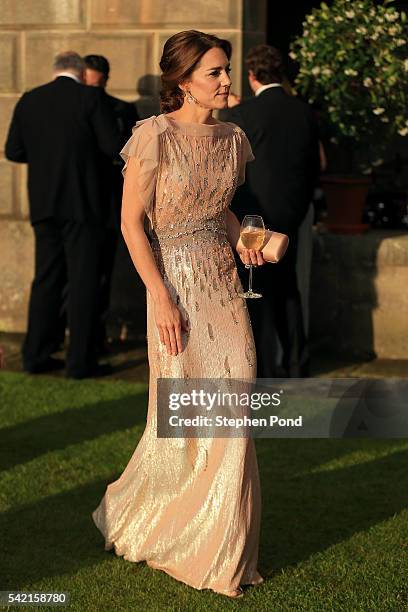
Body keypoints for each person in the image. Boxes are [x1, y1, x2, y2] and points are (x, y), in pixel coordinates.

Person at [92, 30, 265, 599]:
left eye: (227, 70)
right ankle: (162, 526)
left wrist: (249, 238)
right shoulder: (154, 136)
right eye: (214, 72)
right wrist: (160, 296)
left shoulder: (233, 136)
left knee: (235, 395)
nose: (225, 81)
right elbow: (130, 223)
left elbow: (222, 212)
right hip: (173, 287)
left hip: (223, 283)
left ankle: (222, 548)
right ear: (182, 80)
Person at [5, 51, 120, 378]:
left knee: (46, 279)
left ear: (55, 72)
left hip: (43, 204)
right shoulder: (90, 98)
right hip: (84, 204)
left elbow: (14, 151)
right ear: (82, 73)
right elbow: (113, 147)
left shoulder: (30, 100)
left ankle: (36, 355)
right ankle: (79, 361)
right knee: (83, 281)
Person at [223, 44, 320, 378]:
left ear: (251, 76)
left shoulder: (243, 115)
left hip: (253, 216)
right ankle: (296, 362)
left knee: (254, 288)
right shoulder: (305, 112)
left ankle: (259, 365)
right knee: (287, 287)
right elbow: (313, 167)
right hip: (292, 212)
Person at [55, 54, 139, 354]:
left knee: (101, 276)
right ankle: (74, 340)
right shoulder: (70, 107)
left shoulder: (121, 109)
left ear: (103, 79)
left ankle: (95, 338)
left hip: (109, 202)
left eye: (95, 82)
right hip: (80, 203)